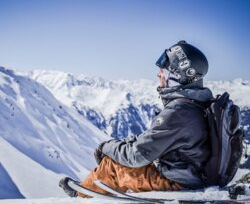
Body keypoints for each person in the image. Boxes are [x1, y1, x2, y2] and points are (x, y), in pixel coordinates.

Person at [59, 40, 214, 197]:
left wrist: (106, 147)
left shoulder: (179, 111)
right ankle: (91, 188)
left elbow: (137, 156)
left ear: (177, 75)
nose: (159, 74)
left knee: (112, 165)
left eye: (164, 70)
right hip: (188, 173)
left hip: (177, 182)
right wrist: (123, 144)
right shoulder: (195, 104)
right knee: (119, 159)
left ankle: (82, 197)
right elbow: (155, 138)